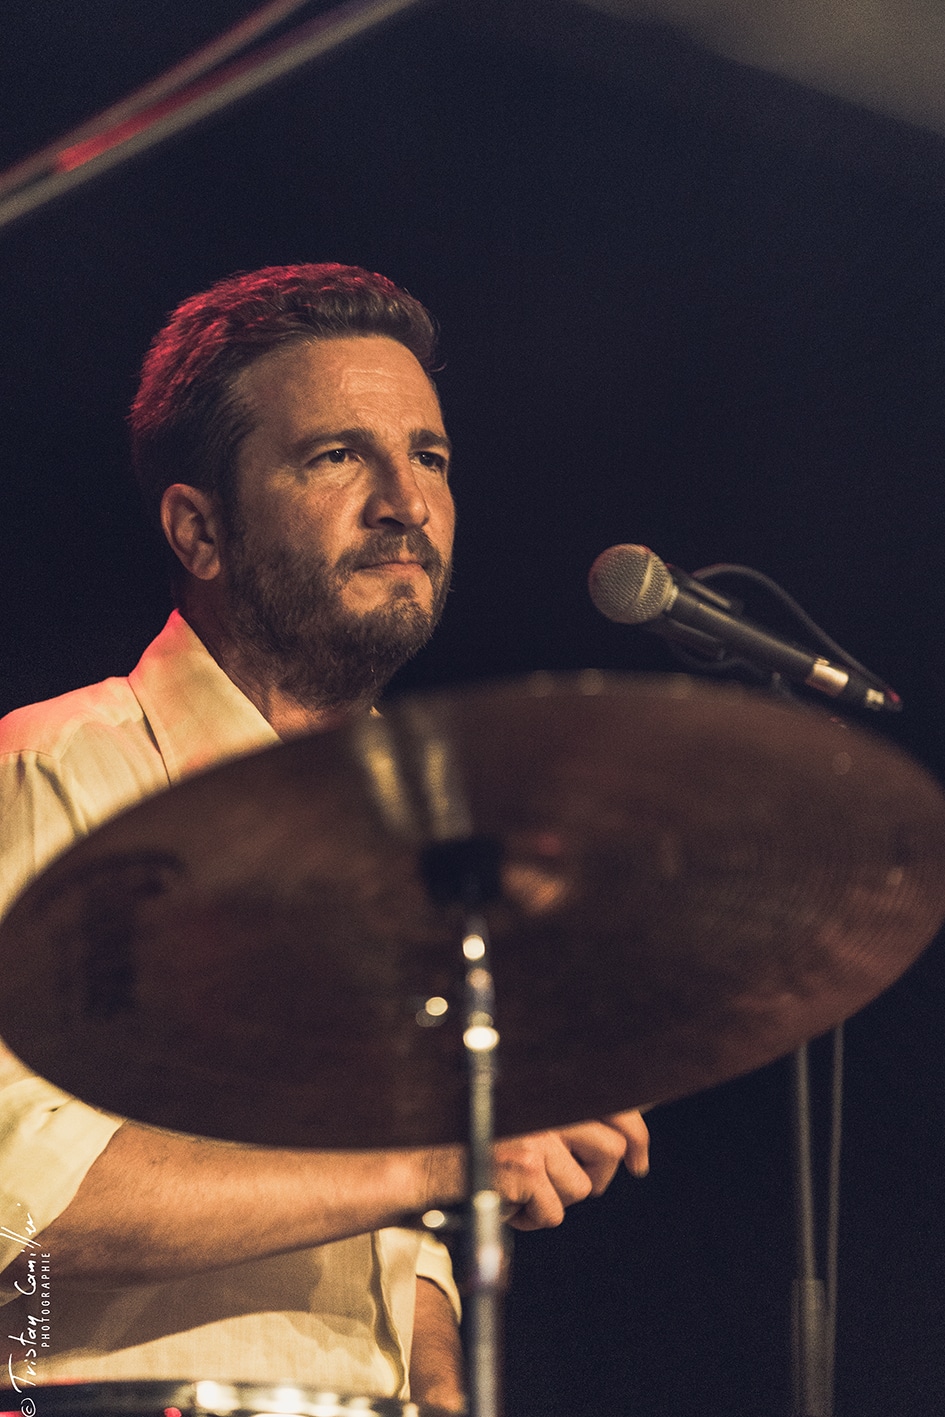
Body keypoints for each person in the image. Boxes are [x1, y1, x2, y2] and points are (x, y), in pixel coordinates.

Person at [0, 263, 648, 1408]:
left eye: (430, 456)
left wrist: (436, 1376)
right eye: (339, 455)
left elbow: (384, 1233)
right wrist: (449, 1153)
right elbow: (16, 1188)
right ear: (199, 528)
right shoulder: (51, 771)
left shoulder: (422, 845)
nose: (406, 502)